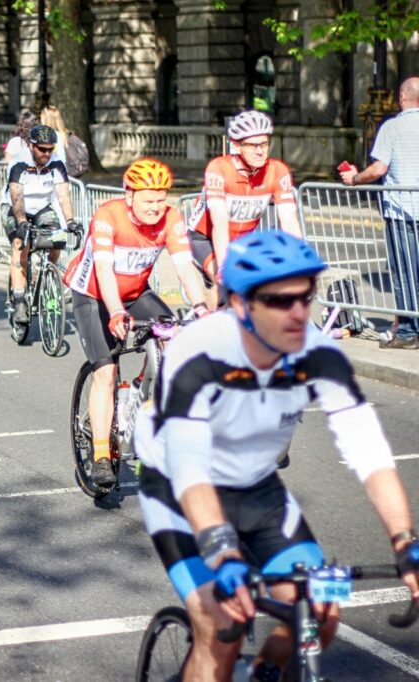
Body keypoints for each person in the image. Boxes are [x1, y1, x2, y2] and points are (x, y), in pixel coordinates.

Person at [135, 230, 419, 681]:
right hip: (179, 491)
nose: (298, 312)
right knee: (221, 626)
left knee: (320, 613)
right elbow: (190, 469)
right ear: (240, 304)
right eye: (280, 300)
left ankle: (264, 671)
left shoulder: (318, 353)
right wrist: (222, 551)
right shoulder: (198, 351)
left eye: (305, 296)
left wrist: (404, 540)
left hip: (257, 488)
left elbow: (369, 453)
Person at [63, 159, 208, 488]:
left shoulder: (170, 218)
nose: (156, 207)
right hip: (94, 296)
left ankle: (139, 390)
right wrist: (115, 312)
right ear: (129, 196)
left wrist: (201, 307)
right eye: (148, 200)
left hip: (136, 294)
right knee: (106, 372)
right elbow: (103, 270)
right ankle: (101, 456)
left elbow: (185, 267)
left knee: (173, 337)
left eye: (161, 199)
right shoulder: (108, 216)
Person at [187, 110, 301, 309]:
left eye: (264, 144)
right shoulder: (219, 168)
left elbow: (289, 220)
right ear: (237, 145)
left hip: (239, 242)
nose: (260, 151)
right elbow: (219, 222)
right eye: (252, 145)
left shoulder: (277, 171)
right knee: (226, 287)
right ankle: (205, 324)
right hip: (203, 238)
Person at [339, 77, 419, 350]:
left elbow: (379, 169)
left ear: (402, 97)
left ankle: (408, 332)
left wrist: (354, 178)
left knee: (405, 273)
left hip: (402, 212)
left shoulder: (392, 127)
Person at [4, 125, 82, 324]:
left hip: (41, 208)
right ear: (31, 146)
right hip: (15, 207)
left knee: (56, 241)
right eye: (42, 149)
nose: (47, 153)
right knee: (21, 245)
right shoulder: (19, 162)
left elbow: (63, 195)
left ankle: (45, 277)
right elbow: (17, 198)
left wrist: (71, 221)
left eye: (50, 149)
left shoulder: (56, 163)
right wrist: (22, 223)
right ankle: (19, 300)